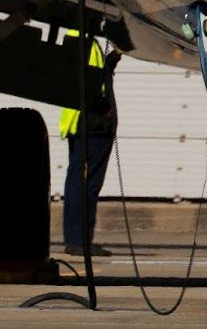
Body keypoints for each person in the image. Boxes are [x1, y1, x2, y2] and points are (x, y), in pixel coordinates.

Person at [61, 33, 120, 257]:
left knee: (80, 182)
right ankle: (78, 240)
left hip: (84, 122)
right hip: (91, 123)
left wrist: (109, 63)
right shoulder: (82, 40)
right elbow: (87, 82)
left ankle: (78, 239)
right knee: (85, 184)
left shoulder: (79, 39)